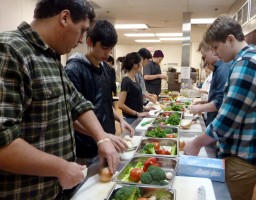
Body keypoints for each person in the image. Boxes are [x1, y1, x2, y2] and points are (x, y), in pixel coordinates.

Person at [0, 1, 120, 199]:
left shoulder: (50, 56)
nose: (82, 40)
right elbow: (3, 142)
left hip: (55, 189)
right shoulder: (10, 50)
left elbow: (77, 102)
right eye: (81, 30)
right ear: (64, 18)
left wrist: (102, 138)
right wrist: (61, 167)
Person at [184, 15, 256, 200]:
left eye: (217, 47)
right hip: (246, 153)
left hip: (244, 156)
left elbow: (227, 118)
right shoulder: (248, 60)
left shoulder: (247, 64)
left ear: (231, 39)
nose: (216, 54)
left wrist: (196, 143)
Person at [65, 20, 134, 166]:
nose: (108, 53)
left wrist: (120, 120)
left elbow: (105, 104)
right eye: (104, 48)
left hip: (109, 141)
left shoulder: (107, 70)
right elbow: (71, 118)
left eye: (111, 49)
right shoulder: (74, 70)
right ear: (89, 41)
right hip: (87, 149)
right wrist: (102, 137)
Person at [190, 41, 231, 126]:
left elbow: (220, 102)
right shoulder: (218, 69)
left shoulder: (223, 68)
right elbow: (217, 96)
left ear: (212, 50)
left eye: (205, 56)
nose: (205, 60)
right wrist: (205, 102)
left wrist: (199, 108)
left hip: (218, 122)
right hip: (213, 119)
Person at [118, 52, 151, 124]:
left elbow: (134, 100)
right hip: (130, 119)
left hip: (137, 117)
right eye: (140, 63)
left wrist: (145, 108)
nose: (142, 65)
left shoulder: (134, 78)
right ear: (135, 65)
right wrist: (137, 113)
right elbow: (120, 105)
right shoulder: (126, 80)